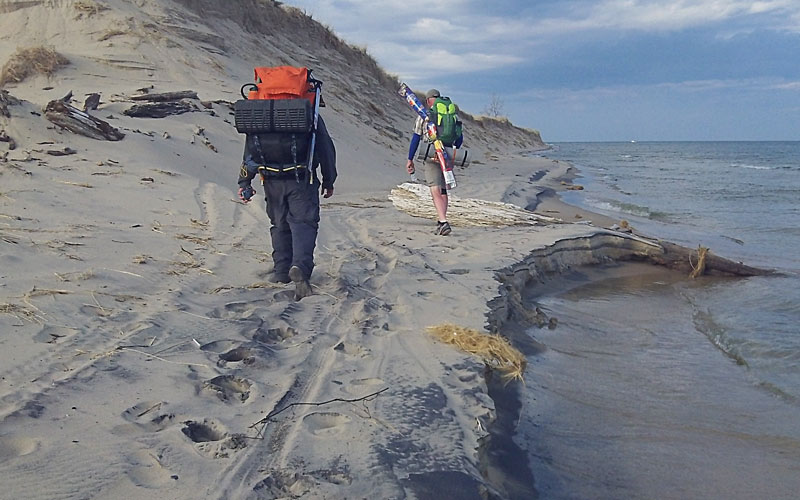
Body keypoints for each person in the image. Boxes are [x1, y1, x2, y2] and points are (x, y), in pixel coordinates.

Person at [237, 114, 337, 300]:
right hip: (301, 179)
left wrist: (245, 181)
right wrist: (329, 179)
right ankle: (300, 267)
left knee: (279, 224)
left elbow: (250, 147)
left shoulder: (260, 108)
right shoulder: (307, 109)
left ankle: (281, 271)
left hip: (270, 179)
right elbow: (325, 147)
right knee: (303, 224)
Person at [405, 88, 463, 236]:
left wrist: (410, 159)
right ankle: (441, 219)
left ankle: (443, 222)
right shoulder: (451, 115)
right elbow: (459, 139)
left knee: (435, 190)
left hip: (431, 154)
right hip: (448, 155)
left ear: (429, 100)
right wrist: (450, 150)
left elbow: (416, 138)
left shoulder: (424, 116)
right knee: (443, 190)